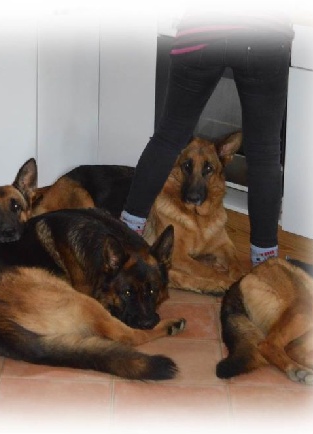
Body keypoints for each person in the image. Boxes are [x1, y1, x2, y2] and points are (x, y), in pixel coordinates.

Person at [119, 8, 295, 266]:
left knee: (168, 139)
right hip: (265, 33)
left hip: (203, 28)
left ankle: (125, 237)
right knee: (264, 155)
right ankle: (265, 263)